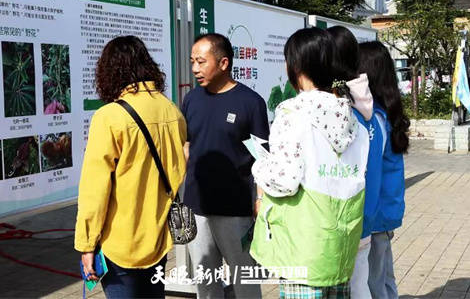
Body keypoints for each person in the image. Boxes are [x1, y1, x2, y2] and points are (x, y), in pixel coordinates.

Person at [251, 27, 369, 298]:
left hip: (302, 246)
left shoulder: (292, 114)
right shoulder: (354, 122)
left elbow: (285, 180)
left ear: (297, 66)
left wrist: (260, 166)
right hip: (340, 246)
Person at [74, 36, 187, 299]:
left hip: (119, 243)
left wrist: (86, 244)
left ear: (110, 71)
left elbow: (94, 190)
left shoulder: (109, 117)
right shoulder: (172, 111)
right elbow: (179, 170)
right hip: (159, 237)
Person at [183, 33, 268, 298]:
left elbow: (262, 156)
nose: (195, 68)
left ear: (223, 63)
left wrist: (261, 200)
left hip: (236, 211)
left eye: (201, 61)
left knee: (245, 283)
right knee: (205, 283)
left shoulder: (251, 103)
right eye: (192, 61)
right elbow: (186, 145)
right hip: (198, 208)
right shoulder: (191, 100)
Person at [328, 26, 384, 299]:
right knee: (360, 286)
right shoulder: (366, 104)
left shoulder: (336, 108)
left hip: (339, 218)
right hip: (365, 214)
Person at [358, 41, 410, 299]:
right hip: (386, 210)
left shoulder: (374, 119)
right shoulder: (387, 111)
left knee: (374, 281)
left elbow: (369, 171)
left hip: (375, 215)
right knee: (384, 276)